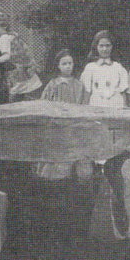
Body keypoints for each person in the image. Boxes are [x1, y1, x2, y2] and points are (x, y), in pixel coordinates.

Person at [36, 49, 92, 181]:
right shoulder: (53, 84)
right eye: (64, 64)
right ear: (58, 66)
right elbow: (44, 104)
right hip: (57, 126)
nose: (68, 66)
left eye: (70, 63)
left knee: (77, 156)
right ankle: (54, 181)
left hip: (75, 126)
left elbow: (84, 105)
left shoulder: (79, 85)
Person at [0, 8, 41, 101]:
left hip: (18, 73)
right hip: (21, 71)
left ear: (3, 25)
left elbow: (6, 56)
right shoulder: (8, 36)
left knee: (16, 97)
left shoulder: (4, 38)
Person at [80, 29, 127, 107]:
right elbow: (87, 91)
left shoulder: (118, 67)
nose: (104, 49)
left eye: (107, 45)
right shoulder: (90, 67)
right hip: (96, 105)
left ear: (112, 47)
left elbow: (123, 92)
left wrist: (124, 109)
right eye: (101, 46)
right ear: (96, 47)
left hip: (116, 105)